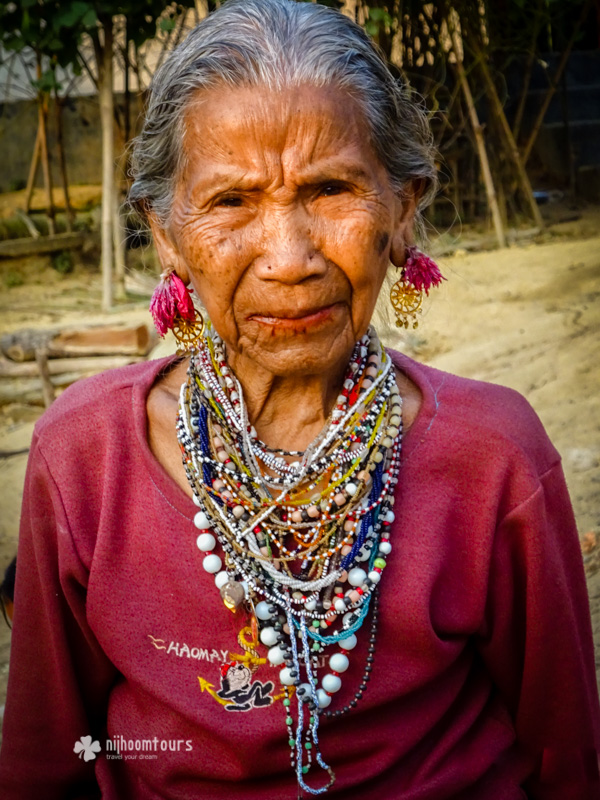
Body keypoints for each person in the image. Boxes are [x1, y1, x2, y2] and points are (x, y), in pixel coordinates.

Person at [0, 0, 599, 798]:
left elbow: (567, 763)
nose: (289, 259)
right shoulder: (82, 457)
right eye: (231, 201)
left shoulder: (496, 459)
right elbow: (50, 757)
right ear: (167, 233)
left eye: (330, 189)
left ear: (403, 209)